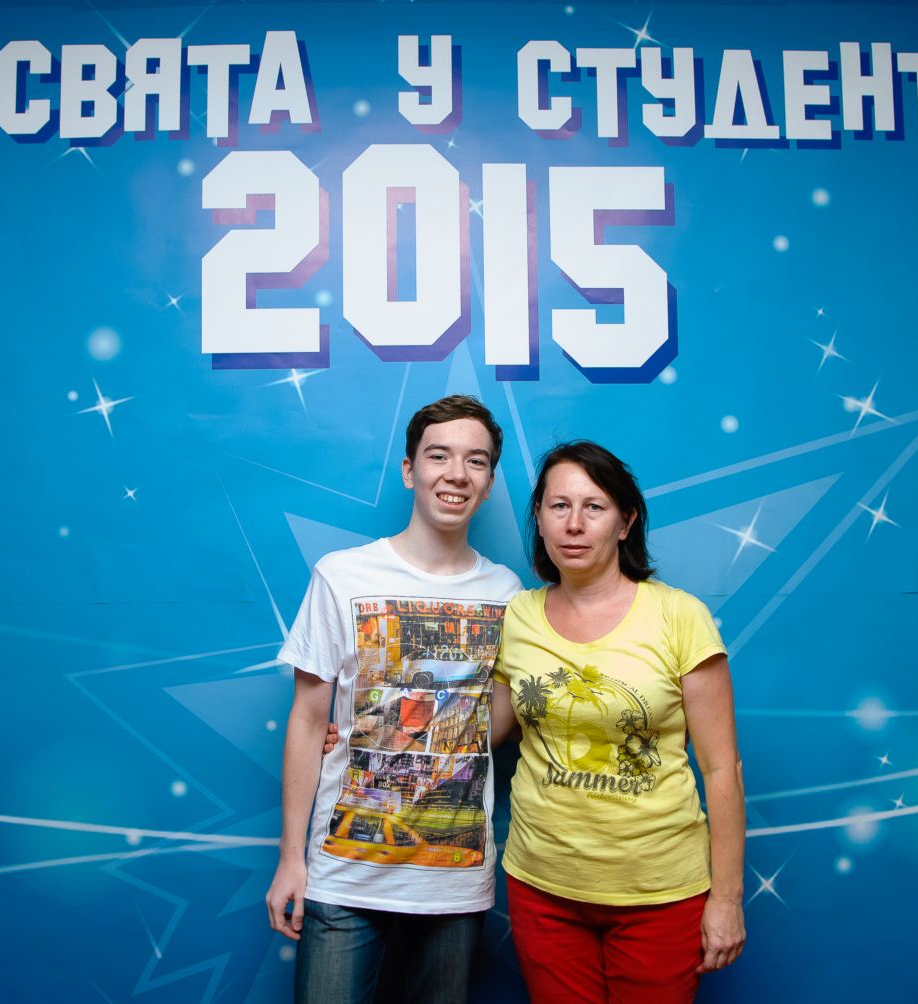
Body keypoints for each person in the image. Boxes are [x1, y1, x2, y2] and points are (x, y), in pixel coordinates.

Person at [265, 394, 523, 1004]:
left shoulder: (507, 592)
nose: (456, 473)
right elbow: (308, 720)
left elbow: (494, 726)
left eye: (476, 461)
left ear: (489, 482)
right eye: (438, 456)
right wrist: (291, 858)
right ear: (410, 470)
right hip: (344, 872)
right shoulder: (342, 575)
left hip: (453, 878)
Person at [490, 441, 745, 1002]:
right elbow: (486, 730)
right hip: (542, 886)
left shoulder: (679, 616)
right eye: (559, 506)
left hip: (660, 891)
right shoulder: (519, 616)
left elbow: (721, 767)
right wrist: (363, 730)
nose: (574, 525)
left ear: (626, 522)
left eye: (594, 507)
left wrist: (726, 899)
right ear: (539, 518)